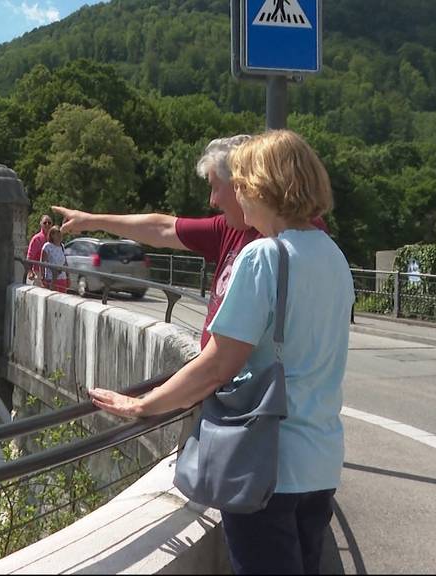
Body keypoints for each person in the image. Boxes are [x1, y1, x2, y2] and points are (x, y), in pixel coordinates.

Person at [89, 130, 354, 575]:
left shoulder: (263, 257)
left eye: (243, 183)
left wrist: (142, 405)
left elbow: (217, 365)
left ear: (263, 187)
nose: (234, 197)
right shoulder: (333, 256)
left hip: (267, 465)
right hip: (320, 463)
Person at [54, 134, 327, 348]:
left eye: (215, 186)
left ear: (243, 184)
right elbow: (161, 228)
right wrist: (91, 220)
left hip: (252, 400)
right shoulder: (228, 228)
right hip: (231, 394)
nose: (212, 200)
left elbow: (223, 362)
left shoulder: (298, 237)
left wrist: (152, 402)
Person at [40, 226, 70, 293]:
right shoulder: (47, 246)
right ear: (52, 235)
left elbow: (65, 262)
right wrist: (42, 277)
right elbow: (42, 263)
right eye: (58, 234)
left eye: (61, 234)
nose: (60, 236)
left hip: (62, 278)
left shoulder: (62, 246)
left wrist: (68, 276)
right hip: (51, 278)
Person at [26, 214, 53, 285]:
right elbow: (29, 257)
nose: (47, 224)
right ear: (41, 224)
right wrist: (30, 271)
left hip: (51, 273)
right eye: (45, 223)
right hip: (38, 273)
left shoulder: (53, 239)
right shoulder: (36, 239)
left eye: (49, 223)